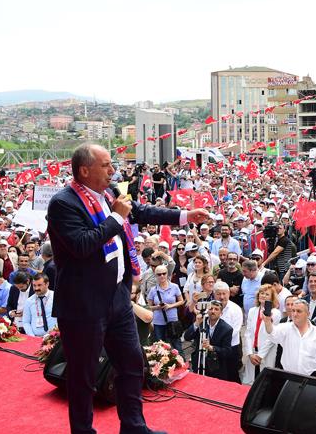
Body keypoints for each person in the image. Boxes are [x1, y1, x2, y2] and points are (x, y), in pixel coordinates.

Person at [46, 143, 206, 434]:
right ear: (85, 170)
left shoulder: (107, 195)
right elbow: (82, 245)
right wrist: (116, 217)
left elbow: (141, 211)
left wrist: (184, 216)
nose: (112, 170)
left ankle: (133, 425)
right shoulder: (63, 203)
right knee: (83, 376)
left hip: (117, 300)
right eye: (106, 165)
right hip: (83, 306)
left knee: (132, 364)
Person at [259, 300, 316, 378]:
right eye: (293, 311)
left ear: (308, 314)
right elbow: (272, 333)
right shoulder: (285, 327)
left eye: (299, 311)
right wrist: (267, 322)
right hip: (288, 376)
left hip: (311, 377)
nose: (295, 314)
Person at [241, 285, 282, 385]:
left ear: (272, 298)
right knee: (249, 381)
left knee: (265, 382)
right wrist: (250, 353)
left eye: (267, 294)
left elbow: (272, 337)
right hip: (252, 351)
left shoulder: (275, 313)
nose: (263, 295)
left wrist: (260, 356)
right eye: (261, 293)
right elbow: (248, 333)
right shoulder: (252, 311)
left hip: (266, 353)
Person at [183, 300, 234, 380]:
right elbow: (187, 337)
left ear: (221, 313)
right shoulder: (201, 322)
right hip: (199, 363)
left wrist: (211, 347)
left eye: (216, 309)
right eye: (211, 308)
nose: (213, 311)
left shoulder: (227, 329)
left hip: (215, 366)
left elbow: (227, 351)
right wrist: (196, 323)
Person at [146, 265, 185, 352]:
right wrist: (158, 307)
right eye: (159, 274)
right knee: (161, 347)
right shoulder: (153, 290)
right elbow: (148, 307)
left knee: (177, 345)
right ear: (155, 275)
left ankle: (182, 364)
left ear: (167, 274)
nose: (162, 276)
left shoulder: (174, 286)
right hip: (158, 322)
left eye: (164, 273)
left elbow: (181, 301)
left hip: (172, 320)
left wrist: (170, 306)